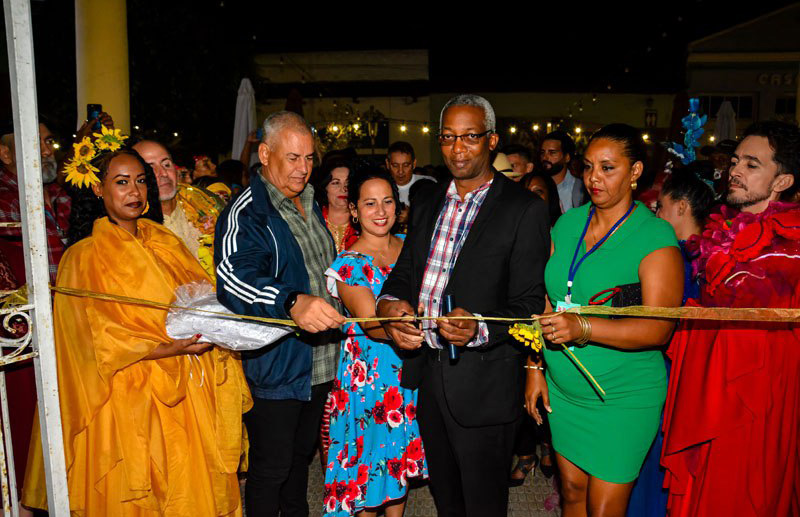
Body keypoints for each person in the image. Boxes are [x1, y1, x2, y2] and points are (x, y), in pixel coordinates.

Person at [49, 145, 251, 515]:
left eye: (141, 181)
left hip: (185, 388)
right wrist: (169, 348)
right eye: (122, 182)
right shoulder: (83, 257)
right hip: (125, 396)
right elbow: (89, 342)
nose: (135, 192)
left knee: (186, 490)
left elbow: (202, 296)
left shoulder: (164, 240)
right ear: (98, 189)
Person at [377, 94, 551, 517]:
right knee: (446, 500)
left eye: (470, 137)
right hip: (428, 376)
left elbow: (529, 303)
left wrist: (480, 327)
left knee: (484, 504)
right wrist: (388, 307)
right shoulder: (426, 199)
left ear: (491, 140)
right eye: (449, 137)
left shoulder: (523, 209)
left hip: (485, 383)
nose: (458, 148)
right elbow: (405, 273)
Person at [528, 123, 684, 516]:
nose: (594, 177)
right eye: (588, 166)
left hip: (622, 396)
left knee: (604, 509)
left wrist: (583, 327)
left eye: (608, 167)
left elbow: (659, 328)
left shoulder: (654, 237)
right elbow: (545, 301)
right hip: (565, 393)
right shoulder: (566, 224)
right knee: (572, 493)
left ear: (634, 172)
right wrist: (534, 366)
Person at [663, 121, 800, 517]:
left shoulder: (791, 245)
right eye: (737, 160)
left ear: (783, 180)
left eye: (752, 164)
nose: (735, 170)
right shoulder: (719, 231)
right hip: (708, 387)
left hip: (760, 398)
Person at [214, 110, 346, 517]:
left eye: (309, 158)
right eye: (292, 158)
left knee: (298, 461)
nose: (303, 169)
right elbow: (233, 280)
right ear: (266, 154)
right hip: (277, 364)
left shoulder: (308, 201)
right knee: (270, 469)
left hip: (321, 362)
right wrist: (290, 301)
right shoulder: (247, 212)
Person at [323, 168, 427, 516]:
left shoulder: (411, 249)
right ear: (354, 209)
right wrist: (409, 328)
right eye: (369, 203)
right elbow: (371, 323)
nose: (380, 211)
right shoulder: (349, 263)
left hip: (407, 373)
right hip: (368, 380)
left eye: (387, 202)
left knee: (397, 467)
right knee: (367, 473)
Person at [626, 168, 715, 517]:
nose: (656, 214)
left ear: (680, 207)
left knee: (653, 451)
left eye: (660, 207)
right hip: (692, 370)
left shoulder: (671, 257)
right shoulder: (712, 255)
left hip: (667, 367)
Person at [133, 140, 223, 276]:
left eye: (166, 164)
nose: (163, 173)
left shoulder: (205, 203)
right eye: (150, 168)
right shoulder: (131, 227)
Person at [316, 158, 358, 253]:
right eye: (335, 183)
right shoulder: (314, 220)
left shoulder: (364, 221)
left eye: (348, 183)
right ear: (324, 187)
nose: (343, 189)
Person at [540, 131, 587, 213]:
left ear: (567, 157)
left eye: (552, 153)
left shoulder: (580, 189)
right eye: (542, 152)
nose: (545, 157)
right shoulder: (536, 185)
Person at [384, 141, 435, 206]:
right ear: (387, 164)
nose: (400, 171)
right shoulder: (380, 187)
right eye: (395, 165)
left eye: (406, 165)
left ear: (414, 164)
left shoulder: (428, 185)